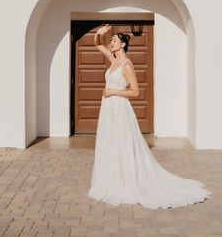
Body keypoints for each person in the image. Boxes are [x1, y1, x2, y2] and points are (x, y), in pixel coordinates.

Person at [87, 24, 213, 209]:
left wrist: (113, 91)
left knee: (122, 142)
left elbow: (135, 92)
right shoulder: (112, 59)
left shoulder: (126, 65)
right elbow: (98, 45)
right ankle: (113, 180)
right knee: (110, 142)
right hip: (107, 108)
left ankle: (127, 183)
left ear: (122, 45)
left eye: (114, 41)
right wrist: (99, 33)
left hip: (119, 107)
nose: (111, 43)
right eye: (111, 41)